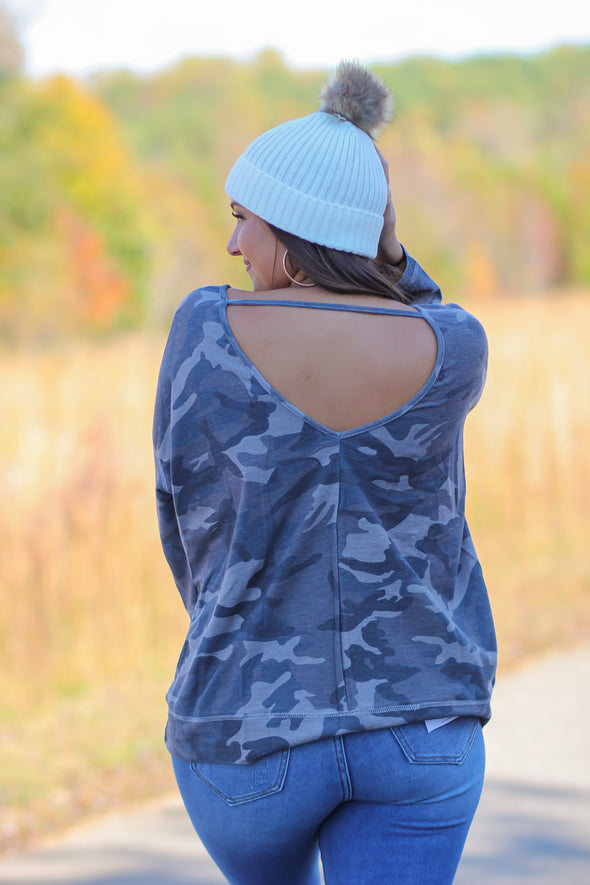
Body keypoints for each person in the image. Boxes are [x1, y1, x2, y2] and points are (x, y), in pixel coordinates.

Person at [153, 61, 497, 885]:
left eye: (244, 220)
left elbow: (177, 515)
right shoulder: (453, 346)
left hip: (244, 733)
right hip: (421, 727)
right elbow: (415, 296)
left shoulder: (203, 328)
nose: (233, 243)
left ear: (295, 228)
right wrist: (386, 239)